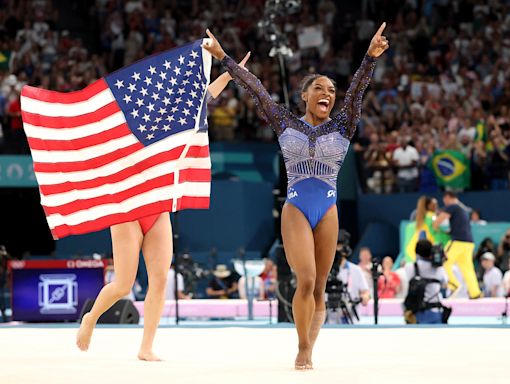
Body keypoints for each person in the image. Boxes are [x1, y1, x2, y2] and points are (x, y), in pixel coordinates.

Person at [201, 23, 389, 369]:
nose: (327, 94)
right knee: (304, 280)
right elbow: (257, 90)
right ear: (305, 95)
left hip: (328, 206)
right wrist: (223, 57)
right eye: (319, 88)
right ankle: (302, 348)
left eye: (331, 90)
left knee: (319, 287)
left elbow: (357, 91)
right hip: (297, 207)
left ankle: (311, 348)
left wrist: (370, 58)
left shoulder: (344, 125)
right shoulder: (285, 122)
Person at [76, 52, 251, 361]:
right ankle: (91, 318)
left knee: (160, 279)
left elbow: (201, 100)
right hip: (128, 209)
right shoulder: (122, 126)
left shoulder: (169, 124)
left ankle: (146, 347)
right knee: (123, 284)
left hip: (157, 209)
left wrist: (230, 73)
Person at [433, 191, 481, 299]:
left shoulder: (452, 207)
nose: (444, 202)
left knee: (444, 261)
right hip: (469, 243)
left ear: (448, 197)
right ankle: (475, 292)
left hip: (458, 241)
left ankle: (453, 284)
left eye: (444, 199)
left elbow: (440, 220)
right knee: (467, 268)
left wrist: (435, 225)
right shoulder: (463, 209)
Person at [404, 240, 448, 324]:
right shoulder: (439, 269)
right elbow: (444, 284)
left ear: (416, 252)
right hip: (436, 311)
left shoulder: (410, 267)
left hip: (417, 313)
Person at [335, 242, 370, 323]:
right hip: (329, 320)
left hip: (351, 318)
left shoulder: (356, 270)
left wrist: (364, 297)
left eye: (340, 251)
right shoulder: (324, 270)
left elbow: (365, 292)